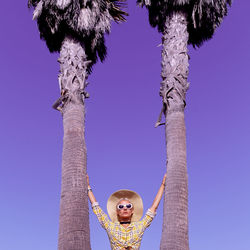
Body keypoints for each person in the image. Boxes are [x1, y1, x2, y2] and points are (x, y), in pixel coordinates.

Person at [87, 173, 167, 250]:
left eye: (128, 206)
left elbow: (153, 208)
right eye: (121, 206)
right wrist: (88, 187)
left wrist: (163, 185)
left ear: (132, 211)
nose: (125, 208)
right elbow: (96, 208)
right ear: (117, 211)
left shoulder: (139, 226)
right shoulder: (110, 226)